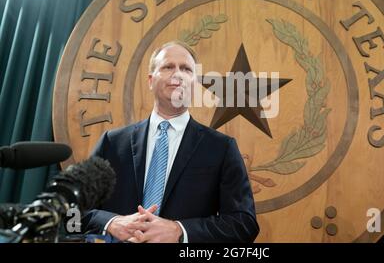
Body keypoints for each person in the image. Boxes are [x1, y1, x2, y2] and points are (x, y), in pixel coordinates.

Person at [82, 40, 259, 243]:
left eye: (186, 69)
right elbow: (72, 210)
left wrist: (179, 230)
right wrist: (111, 222)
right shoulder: (112, 143)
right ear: (150, 80)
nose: (177, 74)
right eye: (168, 67)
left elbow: (244, 224)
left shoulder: (221, 148)